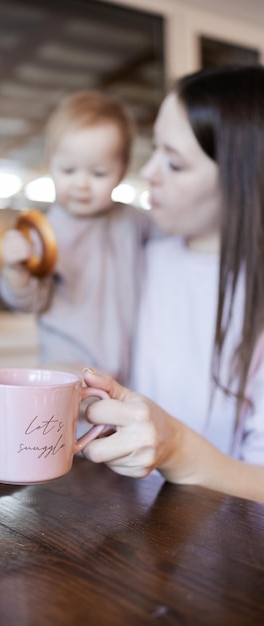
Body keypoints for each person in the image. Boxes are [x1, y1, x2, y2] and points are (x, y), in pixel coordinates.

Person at [81, 65, 264, 504]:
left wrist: (173, 446)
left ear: (243, 181)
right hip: (130, 527)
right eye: (154, 149)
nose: (148, 171)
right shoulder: (143, 261)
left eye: (175, 162)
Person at [0, 90, 150, 384]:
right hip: (66, 371)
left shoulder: (134, 221)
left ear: (121, 171)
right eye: (68, 170)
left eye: (98, 173)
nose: (81, 184)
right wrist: (14, 269)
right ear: (50, 165)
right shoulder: (43, 233)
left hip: (128, 374)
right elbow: (26, 302)